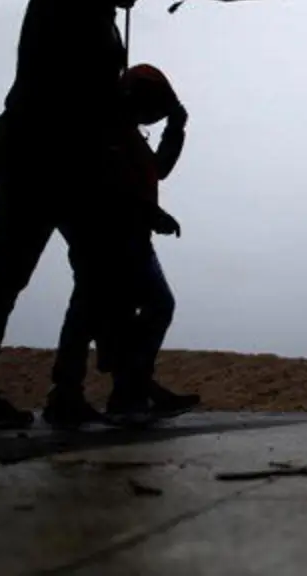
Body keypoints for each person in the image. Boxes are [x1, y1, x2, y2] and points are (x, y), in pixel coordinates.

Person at [0, 0, 144, 429]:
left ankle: (70, 392)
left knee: (98, 272)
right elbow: (58, 78)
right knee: (6, 269)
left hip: (76, 167)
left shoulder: (106, 19)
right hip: (34, 155)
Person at [44, 64, 201, 428]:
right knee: (102, 309)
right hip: (110, 236)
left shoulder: (128, 134)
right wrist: (150, 213)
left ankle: (128, 389)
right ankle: (118, 392)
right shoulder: (106, 130)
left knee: (106, 312)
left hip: (130, 235)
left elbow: (158, 169)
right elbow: (105, 185)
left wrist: (176, 128)